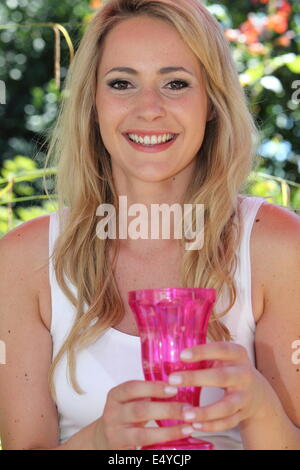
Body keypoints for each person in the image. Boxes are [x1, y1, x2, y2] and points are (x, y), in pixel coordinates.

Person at [0, 0, 299, 451]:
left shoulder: (277, 248)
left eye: (176, 83)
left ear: (212, 102)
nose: (149, 109)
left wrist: (259, 407)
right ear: (94, 103)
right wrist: (100, 440)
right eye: (122, 83)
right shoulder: (23, 260)